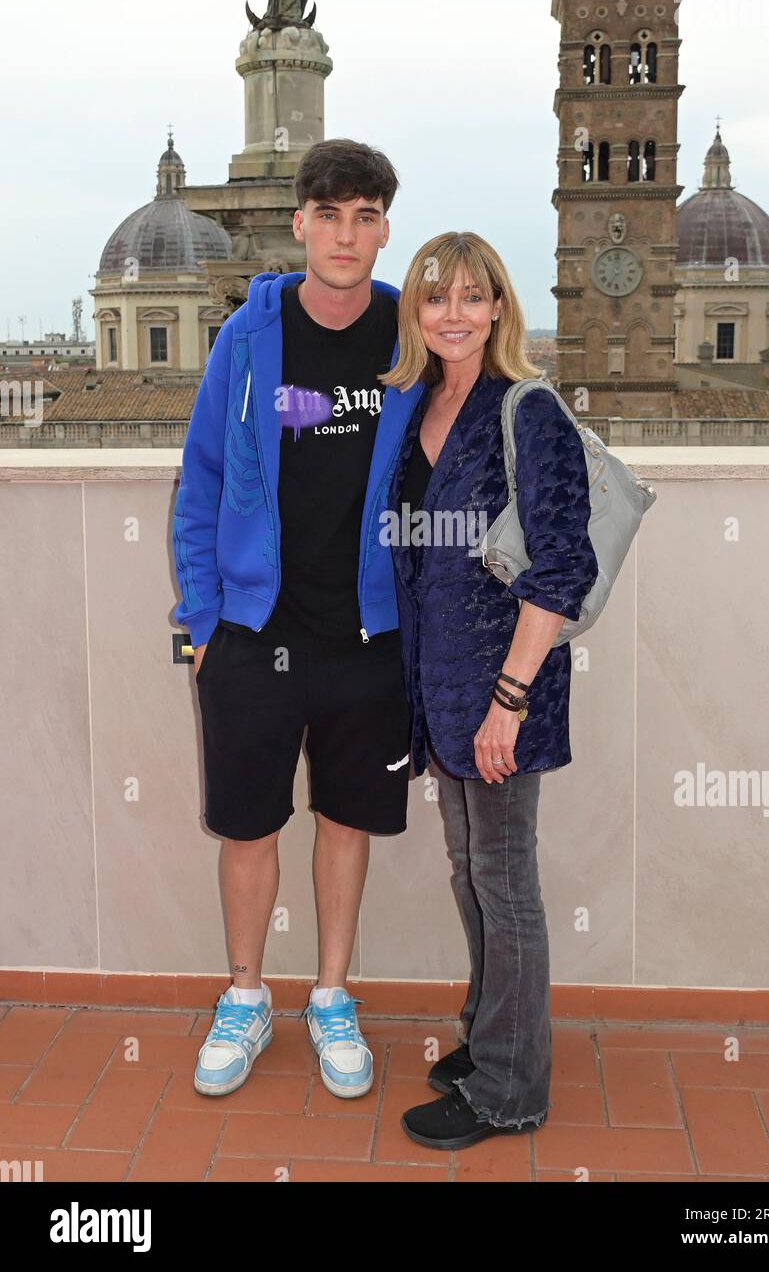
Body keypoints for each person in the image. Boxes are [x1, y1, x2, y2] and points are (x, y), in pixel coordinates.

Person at [172, 139, 427, 1101]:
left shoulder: (410, 331)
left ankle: (329, 993)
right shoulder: (251, 333)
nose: (346, 236)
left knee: (347, 823)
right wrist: (204, 619)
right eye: (330, 216)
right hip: (252, 636)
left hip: (367, 637)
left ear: (384, 228)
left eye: (365, 218)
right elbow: (200, 480)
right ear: (301, 225)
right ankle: (246, 993)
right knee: (248, 827)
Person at [381, 231, 599, 1149]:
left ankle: (512, 1089)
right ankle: (489, 1038)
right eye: (437, 298)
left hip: (502, 686)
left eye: (474, 297)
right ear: (417, 314)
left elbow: (563, 566)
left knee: (505, 880)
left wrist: (508, 700)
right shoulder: (421, 405)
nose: (455, 314)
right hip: (439, 685)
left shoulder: (527, 410)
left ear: (501, 307)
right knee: (472, 869)